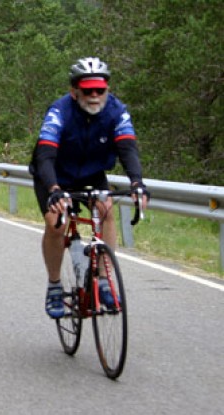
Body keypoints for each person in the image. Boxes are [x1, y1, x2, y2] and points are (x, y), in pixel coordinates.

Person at [28, 57, 149, 319]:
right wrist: (54, 189)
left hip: (92, 173)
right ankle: (55, 285)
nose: (94, 95)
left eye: (100, 90)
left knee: (105, 209)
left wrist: (137, 182)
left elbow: (128, 149)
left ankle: (104, 280)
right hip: (54, 175)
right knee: (56, 225)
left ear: (107, 89)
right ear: (74, 91)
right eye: (87, 90)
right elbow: (45, 155)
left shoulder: (117, 111)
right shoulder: (59, 112)